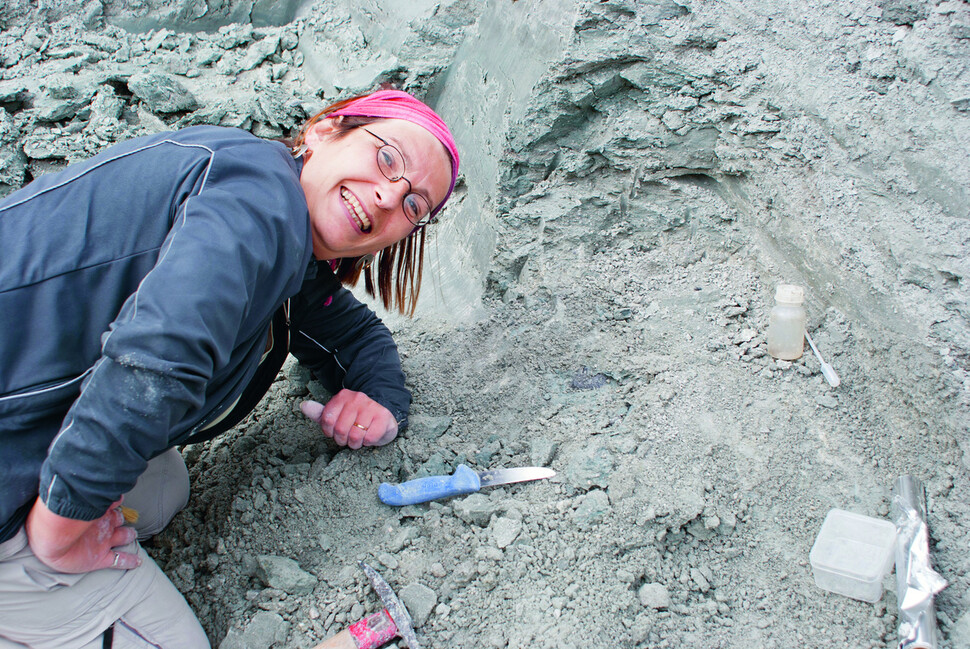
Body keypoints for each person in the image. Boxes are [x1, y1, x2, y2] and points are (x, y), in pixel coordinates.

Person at [0, 89, 459, 648]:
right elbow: (157, 363)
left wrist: (379, 399)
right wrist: (59, 530)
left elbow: (352, 334)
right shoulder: (259, 208)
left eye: (415, 205)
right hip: (12, 453)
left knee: (162, 489)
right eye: (388, 158)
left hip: (27, 400)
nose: (390, 195)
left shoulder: (270, 209)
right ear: (324, 131)